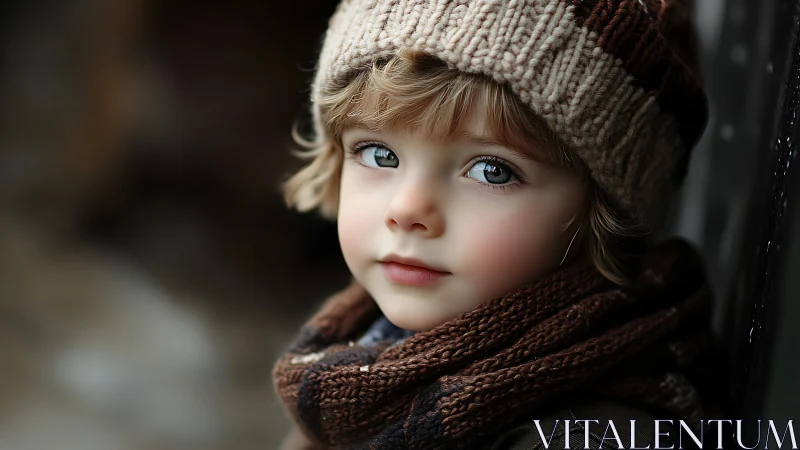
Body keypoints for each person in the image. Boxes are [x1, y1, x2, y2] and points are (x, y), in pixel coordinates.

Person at [272, 0, 727, 448]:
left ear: (603, 214)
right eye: (379, 154)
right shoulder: (360, 364)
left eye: (492, 171)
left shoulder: (586, 436)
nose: (407, 209)